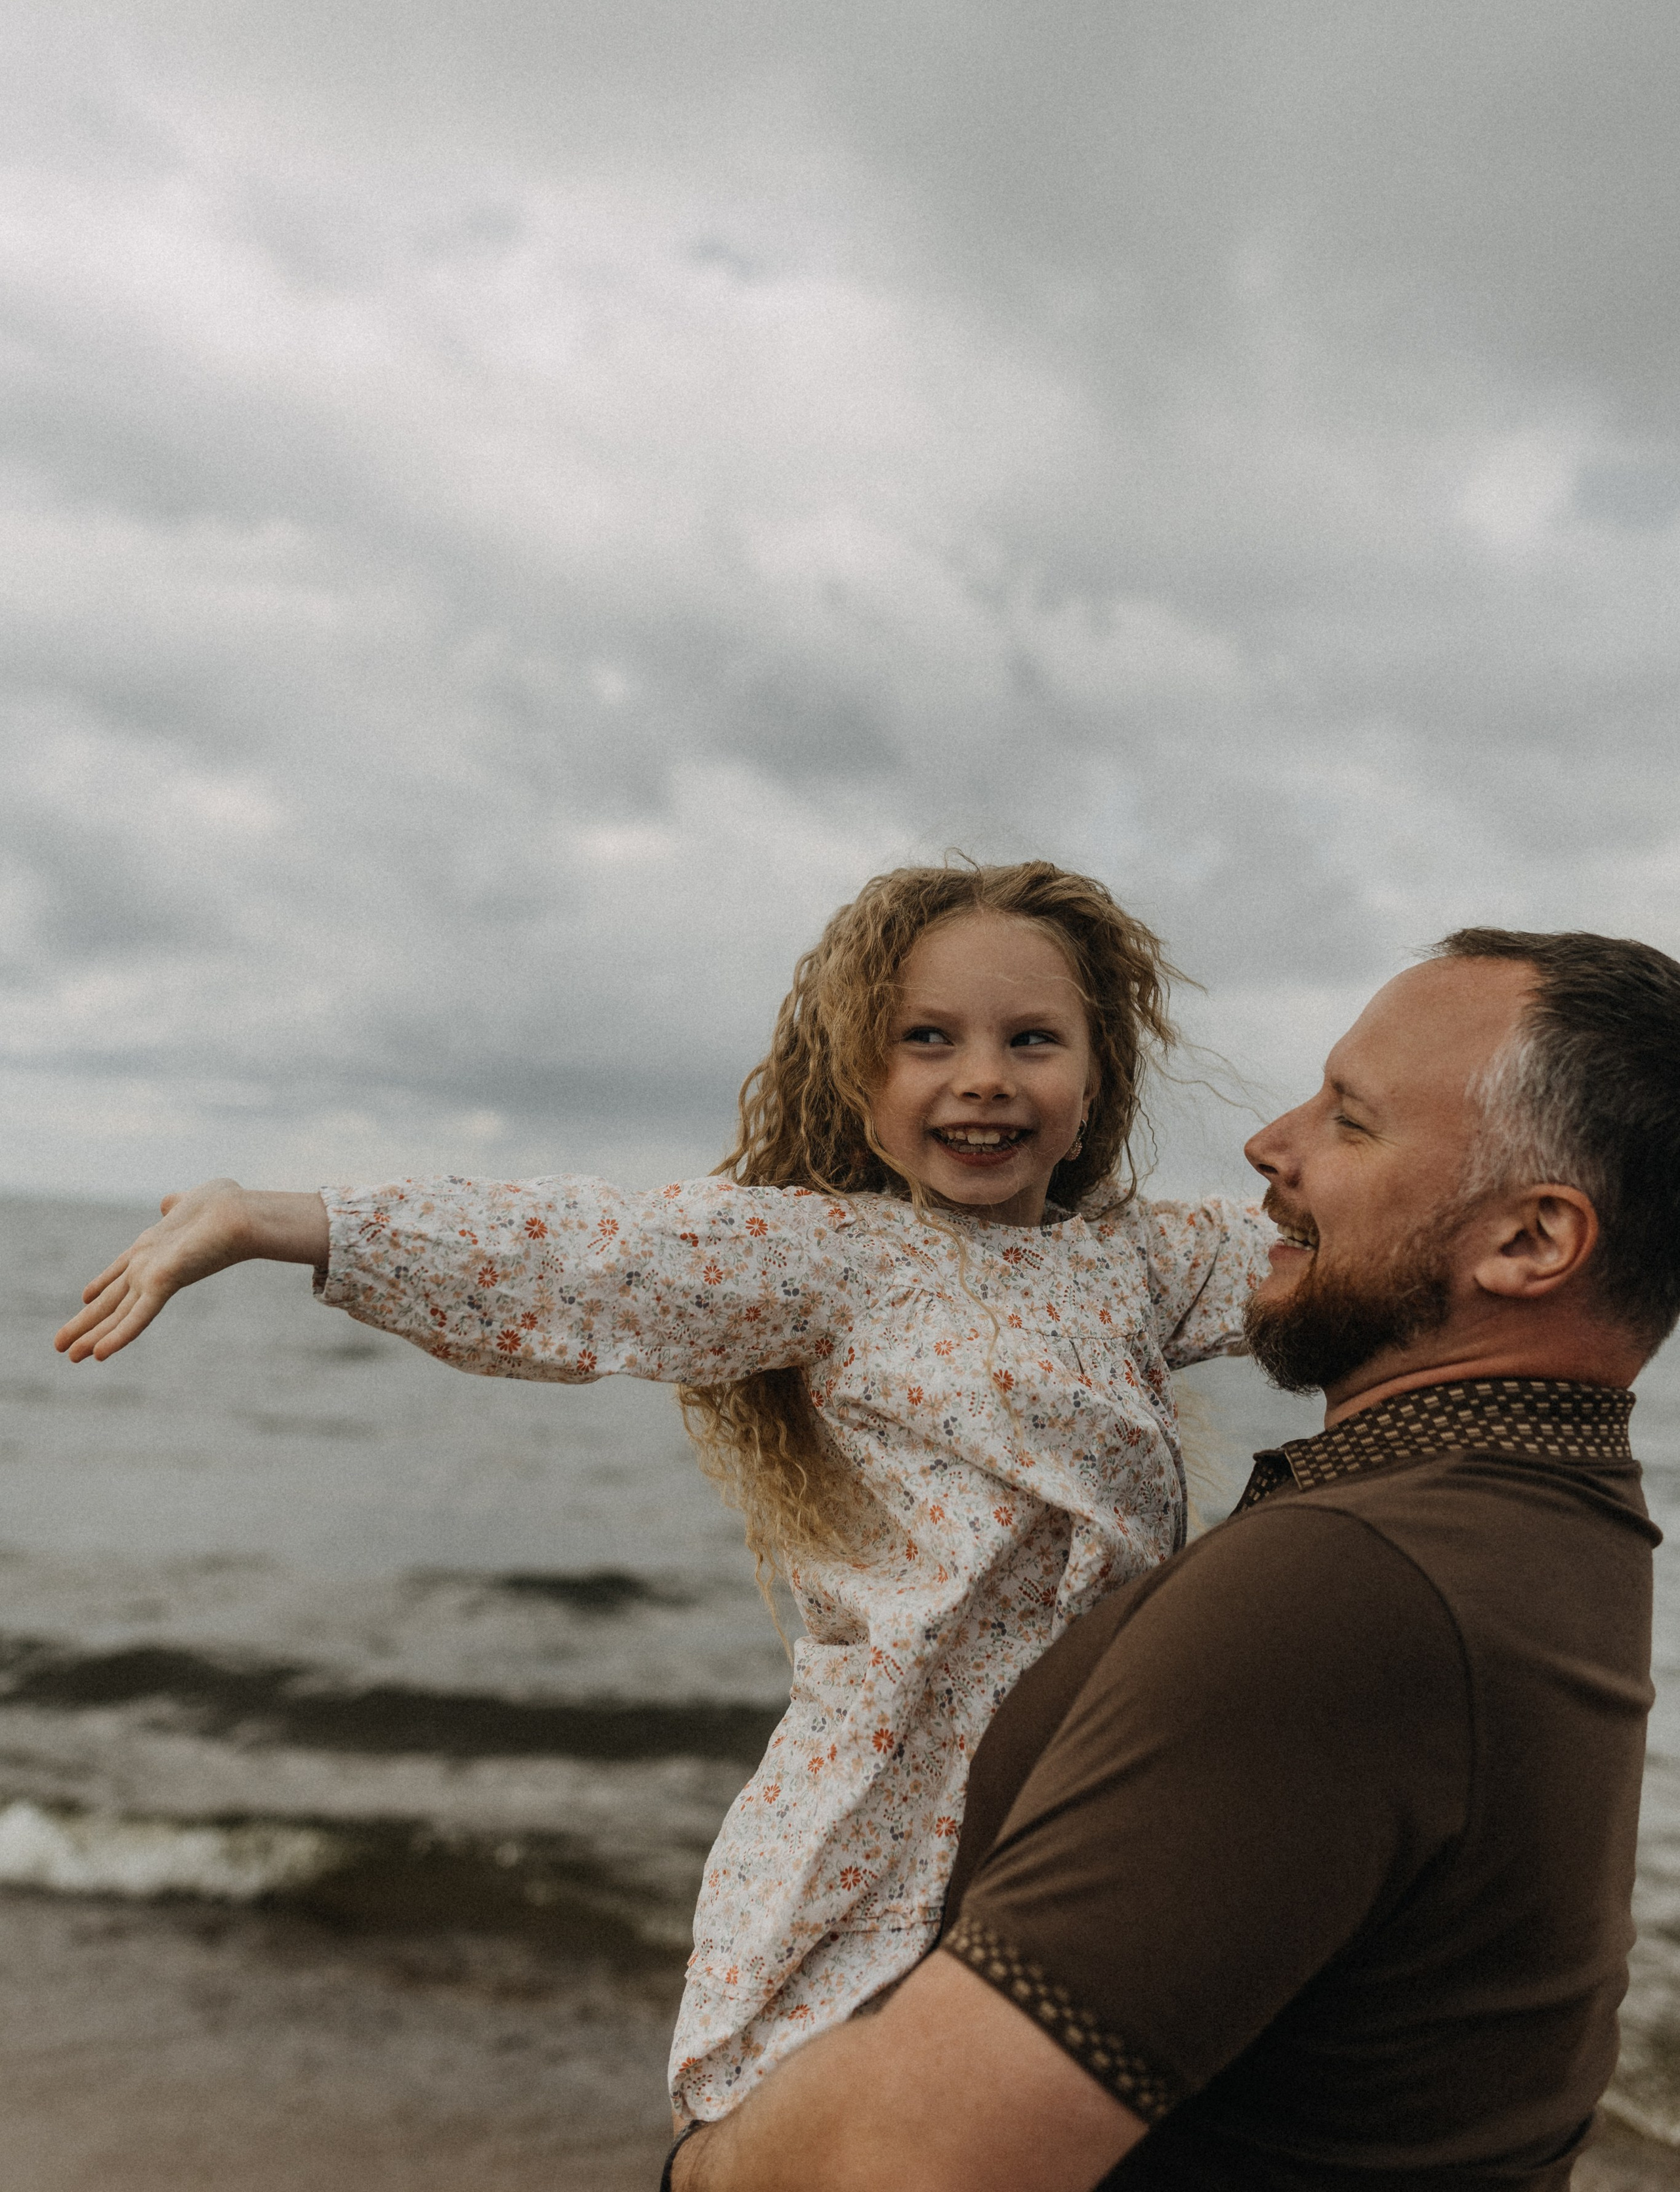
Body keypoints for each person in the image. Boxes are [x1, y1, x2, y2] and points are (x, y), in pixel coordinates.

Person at [52, 858, 1270, 2128]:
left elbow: (1322, 1252)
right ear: (863, 1090)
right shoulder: (834, 1255)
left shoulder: (1133, 1261)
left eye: (1033, 1039)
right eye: (927, 1040)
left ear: (1094, 1084)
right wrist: (269, 1218)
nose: (981, 1076)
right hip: (904, 1776)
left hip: (1098, 1759)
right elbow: (584, 1252)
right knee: (857, 2110)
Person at [659, 927, 1674, 2191]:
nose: (1270, 1145)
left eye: (1350, 1122)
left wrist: (702, 2167)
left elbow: (908, 2162)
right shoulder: (1562, 1519)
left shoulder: (1348, 1588)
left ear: (1530, 1243)